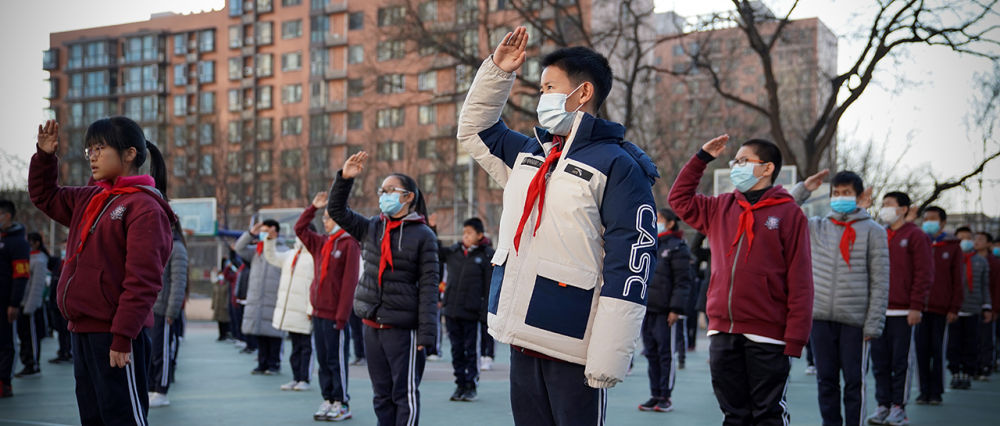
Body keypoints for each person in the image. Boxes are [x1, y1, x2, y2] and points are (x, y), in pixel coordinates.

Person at [457, 27, 659, 426]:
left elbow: (630, 263)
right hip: (521, 335)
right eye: (541, 89)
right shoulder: (531, 153)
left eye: (550, 88)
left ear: (583, 93)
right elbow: (475, 129)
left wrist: (607, 356)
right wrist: (498, 72)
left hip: (571, 343)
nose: (542, 98)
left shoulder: (617, 165)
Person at [29, 118, 174, 424]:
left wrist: (122, 336)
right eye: (89, 150)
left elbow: (143, 282)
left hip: (116, 335)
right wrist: (44, 157)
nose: (92, 157)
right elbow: (45, 197)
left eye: (100, 148)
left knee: (123, 419)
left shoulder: (144, 207)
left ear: (130, 153)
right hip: (82, 330)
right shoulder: (91, 197)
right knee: (93, 418)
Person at [669, 135, 814, 425]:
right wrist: (701, 158)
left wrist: (796, 336)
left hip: (768, 334)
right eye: (735, 161)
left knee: (768, 415)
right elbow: (679, 200)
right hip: (723, 330)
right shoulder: (720, 207)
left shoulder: (789, 213)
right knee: (733, 415)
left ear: (767, 168)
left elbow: (801, 279)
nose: (736, 166)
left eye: (744, 161)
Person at [328, 151, 439, 426]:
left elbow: (429, 287)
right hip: (371, 325)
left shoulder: (423, 235)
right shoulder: (372, 227)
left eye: (390, 190)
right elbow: (337, 211)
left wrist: (427, 334)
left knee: (404, 394)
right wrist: (345, 179)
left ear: (408, 197)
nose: (383, 195)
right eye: (382, 190)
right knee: (381, 395)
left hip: (402, 329)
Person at [792, 170, 890, 426]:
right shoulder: (816, 226)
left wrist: (873, 323)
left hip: (855, 321)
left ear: (858, 196)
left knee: (854, 382)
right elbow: (785, 212)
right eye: (836, 193)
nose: (840, 197)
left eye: (846, 193)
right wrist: (804, 189)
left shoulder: (874, 231)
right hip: (820, 317)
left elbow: (880, 281)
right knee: (826, 380)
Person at [867, 191, 932, 426]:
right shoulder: (879, 233)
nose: (884, 208)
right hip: (878, 311)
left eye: (889, 204)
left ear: (903, 209)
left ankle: (899, 407)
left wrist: (916, 306)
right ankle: (883, 405)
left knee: (901, 362)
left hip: (904, 312)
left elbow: (924, 273)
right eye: (883, 204)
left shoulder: (916, 235)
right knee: (880, 363)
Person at [297, 192, 361, 421]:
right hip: (318, 313)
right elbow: (299, 229)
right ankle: (328, 399)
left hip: (335, 316)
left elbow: (349, 284)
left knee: (336, 360)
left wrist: (342, 317)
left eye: (329, 217)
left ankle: (342, 402)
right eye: (324, 217)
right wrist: (312, 208)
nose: (325, 221)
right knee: (323, 360)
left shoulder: (349, 244)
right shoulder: (321, 242)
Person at [638, 209, 692, 413]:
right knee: (651, 353)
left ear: (670, 223)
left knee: (665, 354)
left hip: (666, 312)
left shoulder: (678, 247)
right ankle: (655, 394)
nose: (656, 222)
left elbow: (682, 282)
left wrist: (675, 308)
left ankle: (665, 396)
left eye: (660, 219)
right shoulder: (651, 244)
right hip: (648, 309)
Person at [440, 217, 494, 402]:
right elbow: (434, 250)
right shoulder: (454, 252)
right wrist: (432, 227)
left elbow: (489, 287)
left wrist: (485, 313)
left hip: (472, 313)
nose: (465, 236)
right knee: (456, 350)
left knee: (471, 351)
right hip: (452, 311)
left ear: (479, 235)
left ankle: (471, 385)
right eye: (464, 233)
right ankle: (460, 384)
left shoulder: (486, 255)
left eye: (470, 233)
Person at [914, 206, 963, 405]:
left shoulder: (952, 246)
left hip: (941, 308)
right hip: (919, 308)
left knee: (938, 350)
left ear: (942, 222)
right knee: (921, 351)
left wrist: (954, 307)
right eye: (926, 219)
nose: (928, 222)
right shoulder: (919, 242)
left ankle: (936, 392)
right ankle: (923, 390)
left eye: (933, 219)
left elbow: (958, 279)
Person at [262, 227, 315, 393]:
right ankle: (296, 377)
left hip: (305, 312)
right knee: (295, 347)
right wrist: (270, 241)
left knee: (306, 347)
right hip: (291, 311)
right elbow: (272, 257)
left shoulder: (314, 257)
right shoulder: (291, 254)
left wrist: (311, 308)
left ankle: (305, 378)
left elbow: (316, 285)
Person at [235, 219, 287, 375]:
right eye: (262, 231)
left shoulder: (283, 251)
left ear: (275, 231)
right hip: (258, 299)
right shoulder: (257, 251)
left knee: (274, 334)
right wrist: (250, 234)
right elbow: (239, 248)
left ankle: (274, 363)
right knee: (260, 333)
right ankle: (262, 363)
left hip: (274, 299)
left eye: (266, 231)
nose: (263, 234)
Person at [148, 224, 188, 408]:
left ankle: (161, 390)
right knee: (150, 351)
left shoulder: (176, 248)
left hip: (163, 310)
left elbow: (178, 282)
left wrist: (172, 311)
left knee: (161, 352)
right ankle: (151, 388)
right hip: (150, 308)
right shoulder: (156, 244)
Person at [946, 226, 991, 390]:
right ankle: (955, 372)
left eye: (967, 238)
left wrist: (986, 306)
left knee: (971, 343)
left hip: (973, 308)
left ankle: (967, 372)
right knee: (953, 344)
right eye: (961, 238)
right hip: (954, 309)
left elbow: (985, 286)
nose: (964, 241)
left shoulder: (981, 261)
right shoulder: (950, 258)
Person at [0, 199, 30, 397]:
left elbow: (21, 275)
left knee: (5, 342)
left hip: (5, 302)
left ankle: (4, 382)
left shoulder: (18, 242)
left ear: (7, 216)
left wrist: (14, 303)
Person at [15, 232, 50, 378]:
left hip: (30, 306)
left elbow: (37, 286)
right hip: (22, 304)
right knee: (24, 336)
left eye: (30, 241)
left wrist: (30, 306)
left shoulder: (39, 260)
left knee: (31, 337)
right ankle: (27, 363)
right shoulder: (27, 257)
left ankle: (33, 365)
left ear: (36, 243)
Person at [974, 232, 998, 380]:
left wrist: (994, 308)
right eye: (975, 238)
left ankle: (986, 366)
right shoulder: (968, 259)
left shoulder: (994, 262)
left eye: (981, 239)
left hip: (988, 306)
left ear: (989, 243)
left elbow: (995, 287)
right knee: (973, 338)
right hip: (972, 305)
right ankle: (974, 367)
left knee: (986, 338)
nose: (977, 241)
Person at [46, 239, 71, 364]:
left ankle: (68, 352)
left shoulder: (73, 261)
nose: (63, 250)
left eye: (66, 247)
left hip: (67, 302)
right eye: (62, 247)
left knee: (67, 329)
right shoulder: (57, 262)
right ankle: (62, 351)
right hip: (55, 301)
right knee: (60, 329)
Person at [212, 257, 236, 342]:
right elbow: (214, 295)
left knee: (226, 321)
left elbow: (228, 294)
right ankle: (221, 335)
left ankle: (226, 335)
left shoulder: (227, 283)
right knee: (219, 321)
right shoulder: (217, 284)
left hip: (224, 305)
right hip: (218, 305)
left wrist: (227, 304)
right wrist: (213, 305)